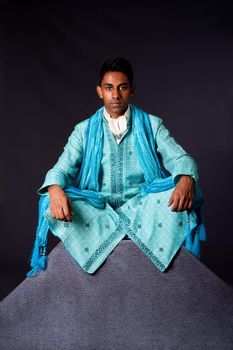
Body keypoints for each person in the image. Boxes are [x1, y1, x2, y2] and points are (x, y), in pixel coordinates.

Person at [26, 57, 206, 277]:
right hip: (98, 210)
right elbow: (61, 170)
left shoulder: (151, 124)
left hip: (144, 208)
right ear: (100, 91)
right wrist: (54, 189)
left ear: (132, 90)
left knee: (186, 186)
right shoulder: (83, 130)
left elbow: (181, 159)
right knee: (49, 199)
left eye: (122, 88)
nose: (116, 95)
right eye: (109, 88)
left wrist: (186, 178)